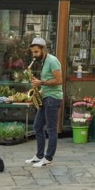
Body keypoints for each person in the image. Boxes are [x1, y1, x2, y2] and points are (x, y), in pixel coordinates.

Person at [25, 37, 63, 168]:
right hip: (46, 96)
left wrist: (40, 82)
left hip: (53, 98)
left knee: (51, 129)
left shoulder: (52, 61)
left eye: (36, 52)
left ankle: (48, 158)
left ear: (43, 49)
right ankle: (39, 155)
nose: (34, 55)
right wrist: (40, 90)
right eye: (33, 52)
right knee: (37, 126)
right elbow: (49, 80)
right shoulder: (44, 61)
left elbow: (59, 81)